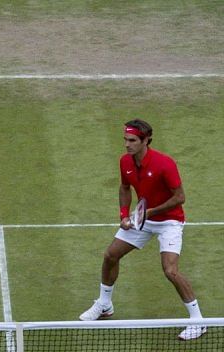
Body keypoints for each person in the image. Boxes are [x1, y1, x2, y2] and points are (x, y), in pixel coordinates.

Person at [79, 119, 206, 341]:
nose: (127, 145)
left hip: (169, 221)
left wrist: (151, 212)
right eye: (125, 140)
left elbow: (180, 197)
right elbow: (124, 187)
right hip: (143, 218)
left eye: (132, 140)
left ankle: (198, 321)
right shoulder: (125, 162)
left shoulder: (165, 164)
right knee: (111, 255)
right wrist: (124, 215)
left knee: (170, 271)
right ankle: (105, 304)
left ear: (146, 140)